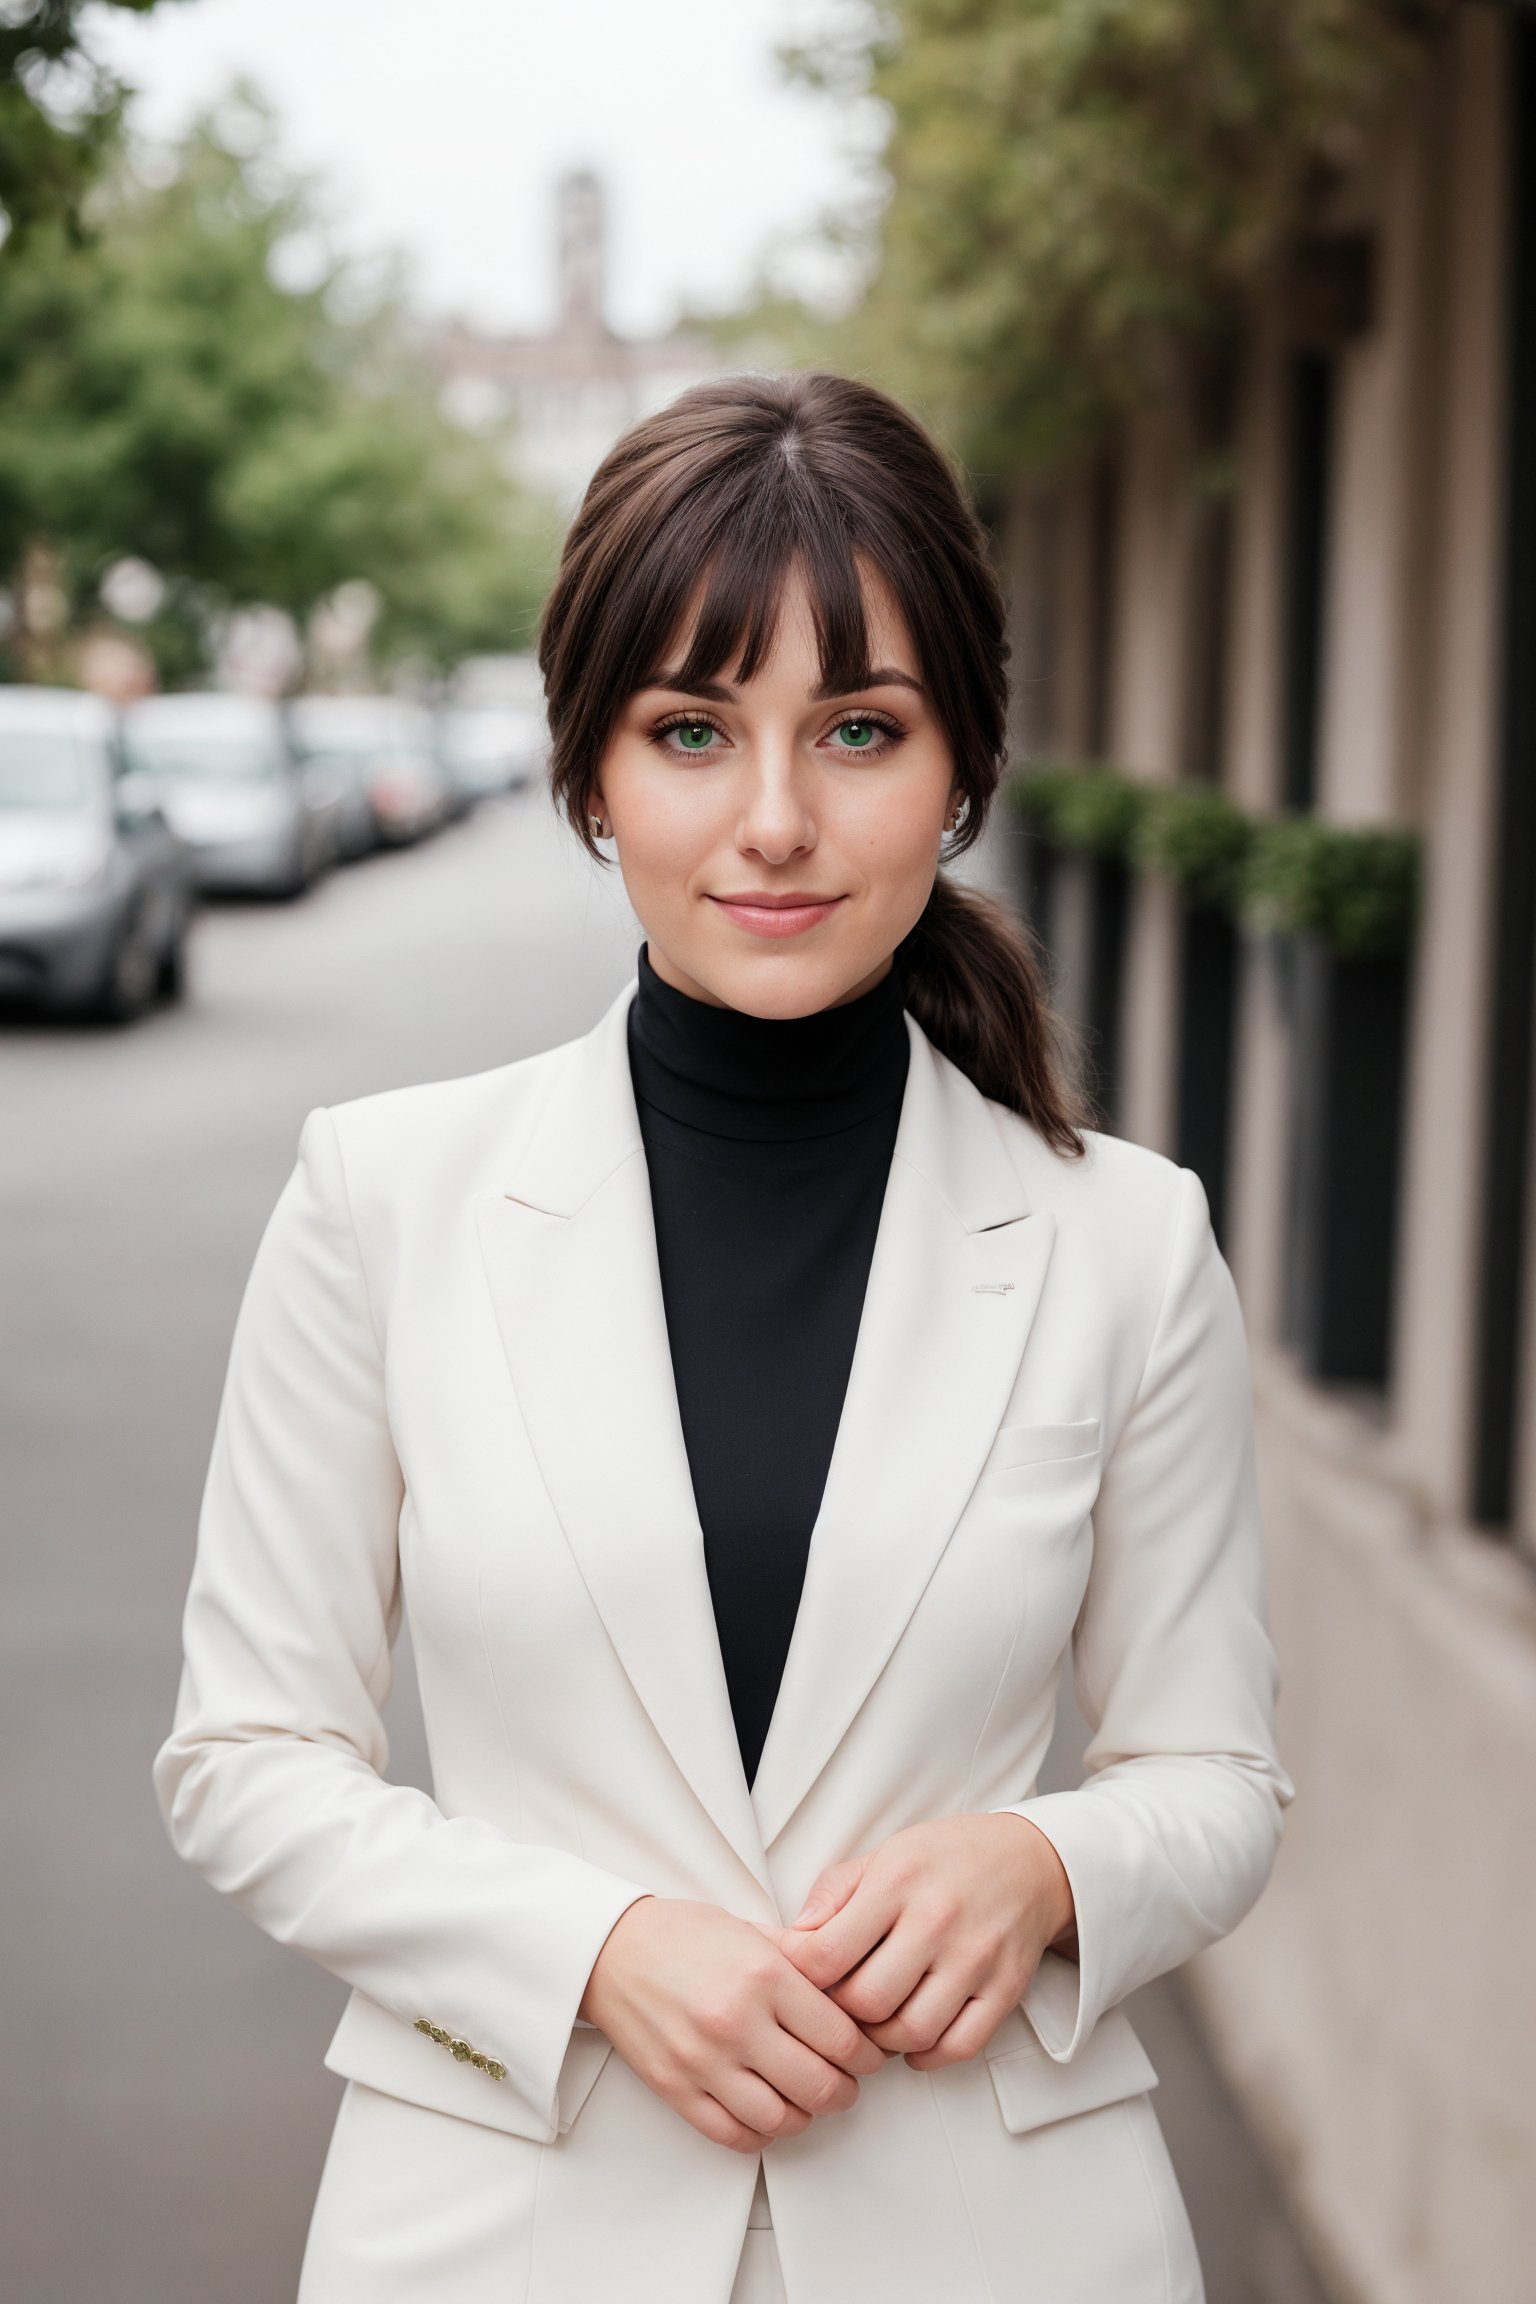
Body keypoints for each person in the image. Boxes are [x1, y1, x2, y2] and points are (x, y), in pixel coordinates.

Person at [155, 371, 1293, 2304]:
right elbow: (248, 1757)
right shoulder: (383, 1200)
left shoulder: (1127, 1237)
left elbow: (1218, 1782)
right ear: (593, 776)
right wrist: (589, 1950)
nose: (775, 820)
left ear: (966, 770)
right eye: (694, 729)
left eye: (860, 728)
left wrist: (1043, 1871)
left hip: (1006, 2248)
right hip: (494, 2236)